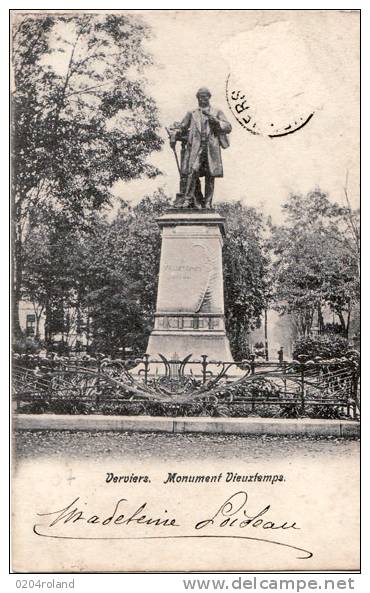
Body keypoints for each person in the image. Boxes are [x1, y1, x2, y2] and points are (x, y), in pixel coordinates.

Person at [169, 87, 232, 209]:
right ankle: (189, 199)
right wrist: (173, 135)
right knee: (193, 171)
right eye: (200, 97)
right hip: (196, 148)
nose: (203, 99)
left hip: (211, 148)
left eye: (205, 96)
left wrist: (217, 122)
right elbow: (181, 127)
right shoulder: (192, 113)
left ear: (209, 97)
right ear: (197, 98)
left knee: (210, 175)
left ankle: (207, 202)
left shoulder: (216, 112)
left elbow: (228, 127)